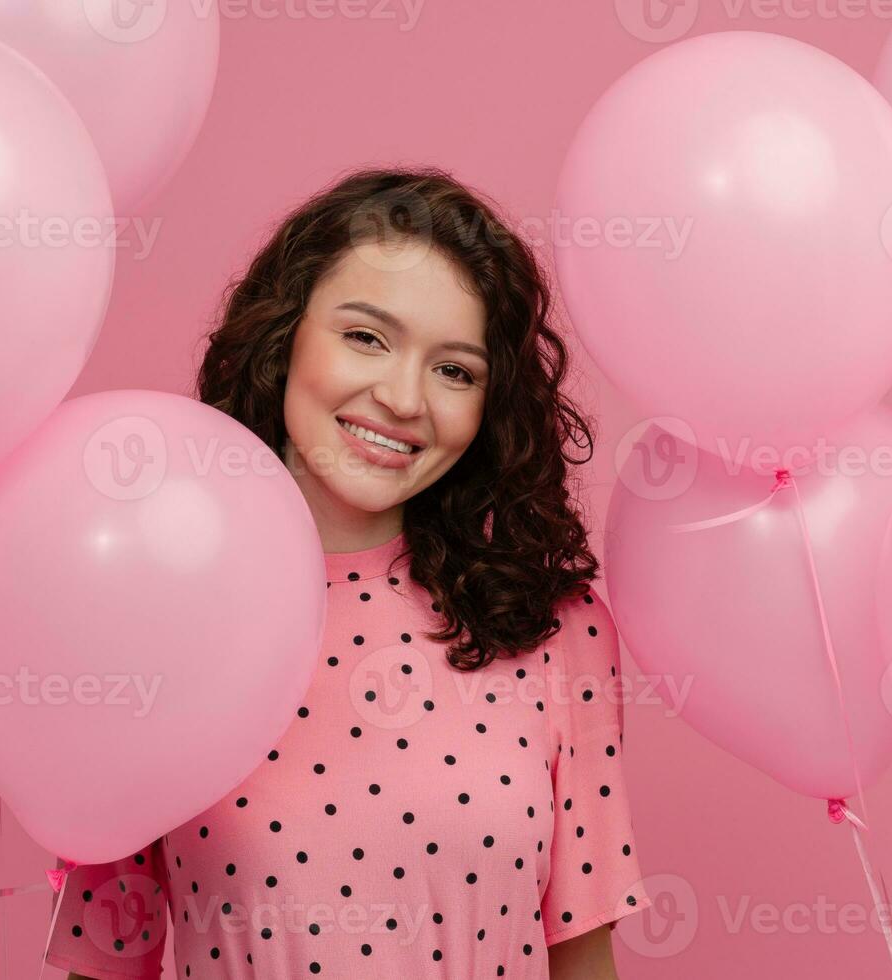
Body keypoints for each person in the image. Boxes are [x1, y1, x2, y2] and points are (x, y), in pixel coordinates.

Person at [46, 166, 651, 979]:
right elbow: (106, 961)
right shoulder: (158, 611)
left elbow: (585, 960)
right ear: (284, 333)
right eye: (366, 337)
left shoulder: (556, 631)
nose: (404, 398)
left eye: (455, 370)